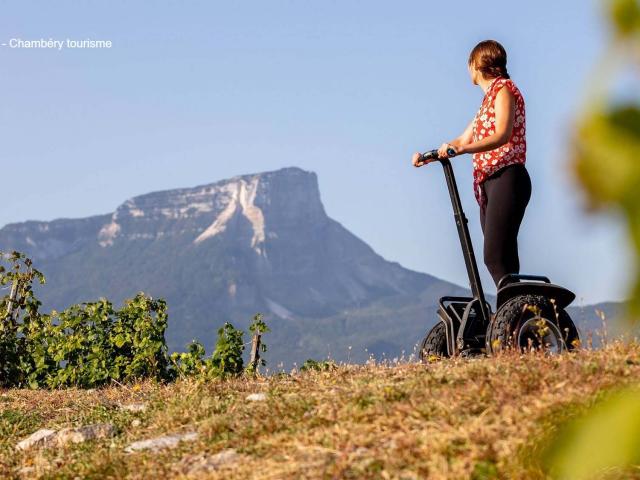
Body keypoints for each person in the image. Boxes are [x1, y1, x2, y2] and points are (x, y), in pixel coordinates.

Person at [412, 39, 531, 287]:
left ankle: (517, 316)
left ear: (478, 64)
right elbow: (463, 139)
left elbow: (502, 134)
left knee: (496, 256)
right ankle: (515, 317)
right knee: (501, 260)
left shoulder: (504, 90)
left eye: (469, 64)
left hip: (508, 176)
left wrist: (463, 149)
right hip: (488, 183)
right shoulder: (485, 104)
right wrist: (432, 156)